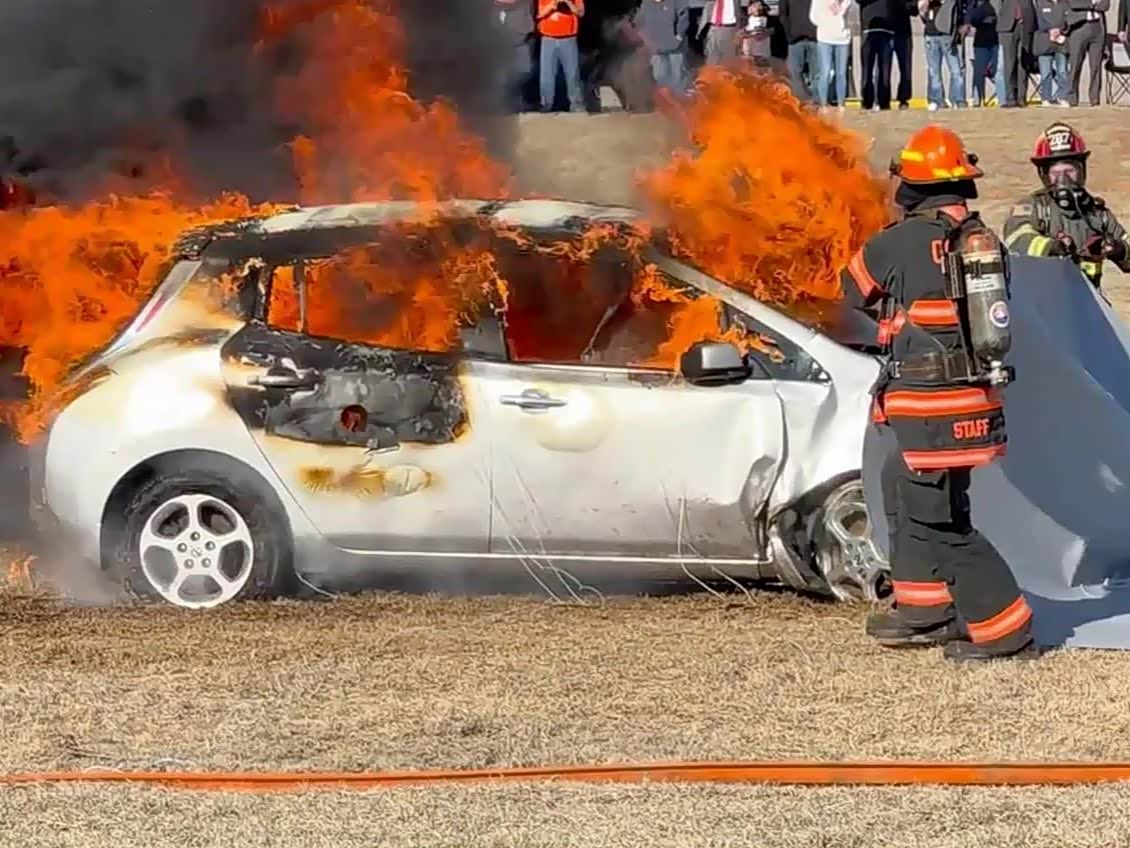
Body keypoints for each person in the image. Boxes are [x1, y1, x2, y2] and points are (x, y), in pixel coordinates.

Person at [841, 125, 1039, 663]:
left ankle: (1007, 631)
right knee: (906, 491)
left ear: (913, 185)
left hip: (928, 406)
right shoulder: (981, 240)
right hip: (973, 401)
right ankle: (923, 609)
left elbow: (852, 290)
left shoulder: (899, 240)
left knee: (940, 521)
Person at [1003, 123, 1130, 290]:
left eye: (1070, 171)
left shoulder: (1097, 213)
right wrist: (1052, 247)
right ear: (1044, 175)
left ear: (1082, 170)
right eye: (1055, 173)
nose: (1063, 180)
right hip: (1043, 299)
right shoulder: (1033, 207)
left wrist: (1119, 249)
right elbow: (1016, 238)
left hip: (1089, 301)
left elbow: (1126, 244)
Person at [537, 0, 586, 112]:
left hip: (568, 38)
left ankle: (577, 105)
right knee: (547, 74)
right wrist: (553, 4)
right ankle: (546, 105)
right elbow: (539, 14)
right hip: (548, 38)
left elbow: (581, 13)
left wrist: (568, 3)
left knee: (572, 73)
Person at [636, 0, 692, 93]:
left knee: (677, 79)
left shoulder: (677, 2)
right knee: (660, 78)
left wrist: (679, 36)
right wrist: (646, 40)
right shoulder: (646, 3)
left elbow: (684, 19)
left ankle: (679, 98)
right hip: (655, 50)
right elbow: (640, 22)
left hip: (675, 49)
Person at [921, 0, 969, 109]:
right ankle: (937, 100)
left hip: (948, 35)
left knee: (956, 70)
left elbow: (960, 11)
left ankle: (958, 100)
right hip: (931, 34)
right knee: (934, 71)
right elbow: (922, 13)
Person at [1064, 0, 1109, 107]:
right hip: (1080, 27)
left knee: (1096, 66)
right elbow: (1075, 4)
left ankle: (1095, 98)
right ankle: (1072, 98)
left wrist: (1091, 5)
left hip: (1098, 27)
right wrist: (1093, 3)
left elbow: (1105, 5)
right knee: (1075, 64)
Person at [811, 0, 854, 107]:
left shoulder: (847, 1)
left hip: (843, 40)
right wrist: (826, 23)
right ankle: (823, 103)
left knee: (841, 73)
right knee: (825, 72)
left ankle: (841, 103)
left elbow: (853, 16)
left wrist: (847, 29)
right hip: (824, 39)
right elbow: (813, 16)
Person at [496, 0, 535, 112]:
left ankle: (519, 103)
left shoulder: (525, 3)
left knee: (523, 75)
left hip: (522, 42)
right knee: (503, 77)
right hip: (502, 45)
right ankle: (503, 105)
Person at [993, 0, 1034, 106]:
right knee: (1009, 63)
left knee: (1023, 62)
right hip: (1007, 26)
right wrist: (1000, 15)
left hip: (1026, 23)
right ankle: (1010, 97)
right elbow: (995, 3)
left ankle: (1021, 97)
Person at [859, 0, 899, 108]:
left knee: (885, 70)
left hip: (887, 30)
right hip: (868, 29)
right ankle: (867, 101)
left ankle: (883, 102)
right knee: (867, 70)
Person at [1032, 0, 1069, 105]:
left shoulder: (1064, 4)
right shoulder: (1040, 3)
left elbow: (1068, 20)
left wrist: (1061, 30)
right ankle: (1046, 98)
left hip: (1061, 43)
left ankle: (1063, 97)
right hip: (1044, 42)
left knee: (1062, 71)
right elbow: (1037, 21)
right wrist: (1049, 30)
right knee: (1046, 73)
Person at [966, 0, 1003, 104]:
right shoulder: (975, 4)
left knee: (999, 71)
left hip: (996, 41)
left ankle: (1002, 99)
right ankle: (977, 99)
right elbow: (971, 18)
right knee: (979, 72)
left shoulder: (997, 3)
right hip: (981, 43)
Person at [781, 0, 820, 100]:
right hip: (795, 39)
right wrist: (789, 34)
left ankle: (817, 101)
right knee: (794, 71)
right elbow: (783, 13)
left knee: (817, 72)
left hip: (815, 37)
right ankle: (801, 100)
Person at [892, 0, 916, 108]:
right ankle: (882, 98)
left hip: (904, 32)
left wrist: (906, 5)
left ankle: (904, 98)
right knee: (883, 68)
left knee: (906, 68)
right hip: (886, 31)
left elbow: (914, 11)